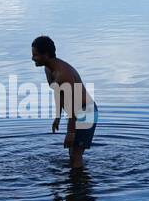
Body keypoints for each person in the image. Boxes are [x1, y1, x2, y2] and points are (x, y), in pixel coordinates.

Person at [31, 35, 98, 169]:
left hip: (86, 111)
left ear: (46, 54)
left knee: (76, 155)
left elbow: (74, 104)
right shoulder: (48, 68)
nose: (32, 58)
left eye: (35, 55)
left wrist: (71, 132)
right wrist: (57, 117)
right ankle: (76, 183)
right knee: (72, 154)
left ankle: (79, 186)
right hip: (76, 111)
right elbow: (59, 93)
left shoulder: (63, 74)